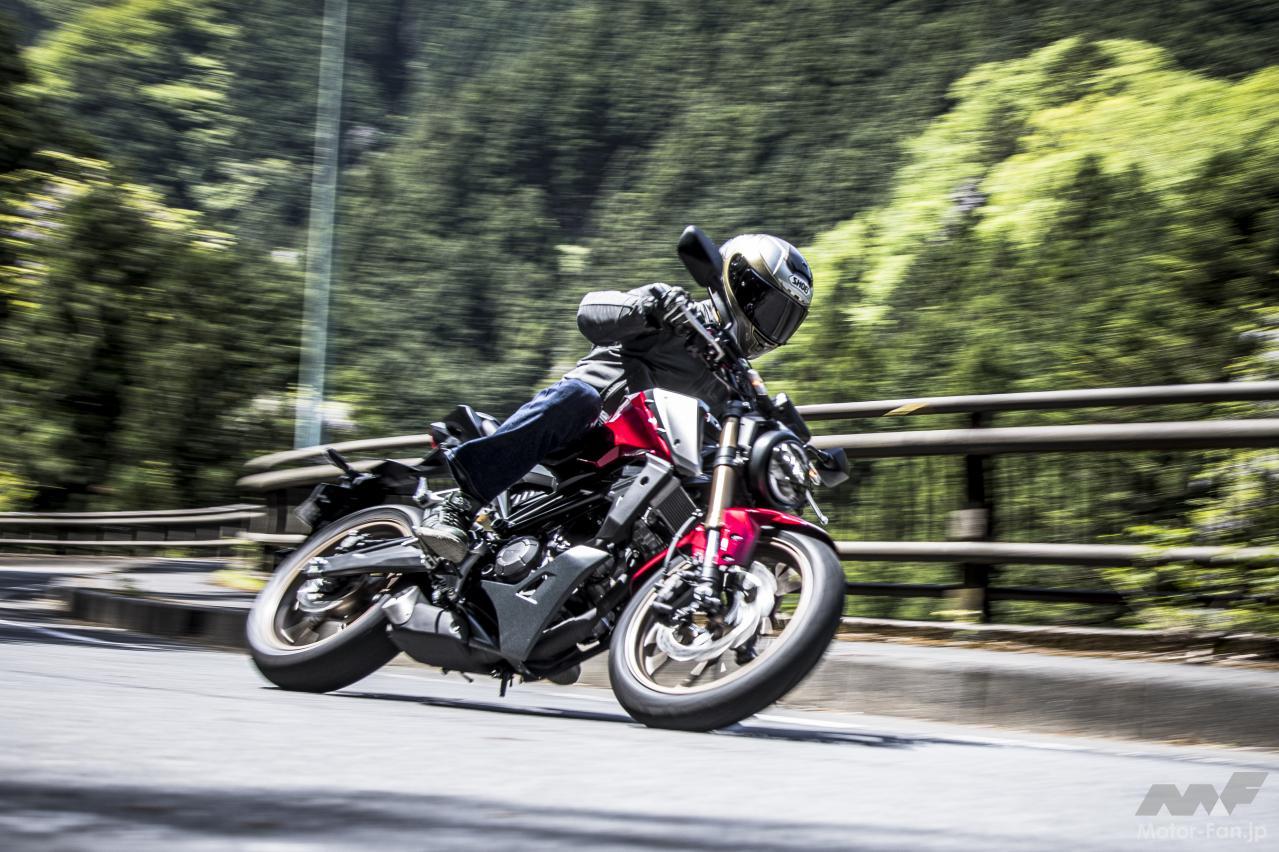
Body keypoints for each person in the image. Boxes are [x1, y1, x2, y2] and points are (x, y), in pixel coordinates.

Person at [414, 232, 815, 563]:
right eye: (768, 307)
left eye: (784, 317)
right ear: (737, 284)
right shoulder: (675, 313)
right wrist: (649, 307)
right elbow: (589, 314)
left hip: (643, 472)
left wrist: (802, 460)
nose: (771, 324)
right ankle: (460, 505)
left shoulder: (739, 383)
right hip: (588, 436)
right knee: (579, 398)